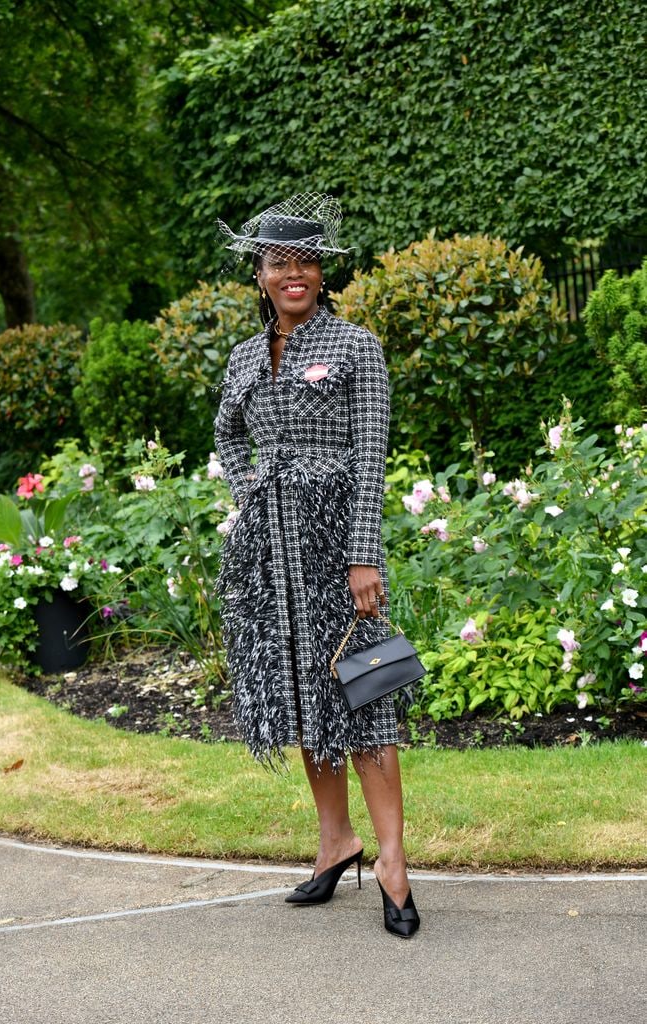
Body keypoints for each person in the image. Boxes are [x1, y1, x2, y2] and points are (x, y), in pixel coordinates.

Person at [214, 193, 419, 938]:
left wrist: (363, 555)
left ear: (322, 272)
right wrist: (250, 493)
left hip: (338, 550)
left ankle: (392, 863)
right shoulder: (244, 357)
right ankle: (337, 842)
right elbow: (228, 436)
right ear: (259, 274)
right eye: (279, 261)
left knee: (364, 696)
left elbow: (371, 460)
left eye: (306, 260)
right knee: (303, 699)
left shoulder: (357, 347)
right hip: (271, 556)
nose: (293, 273)